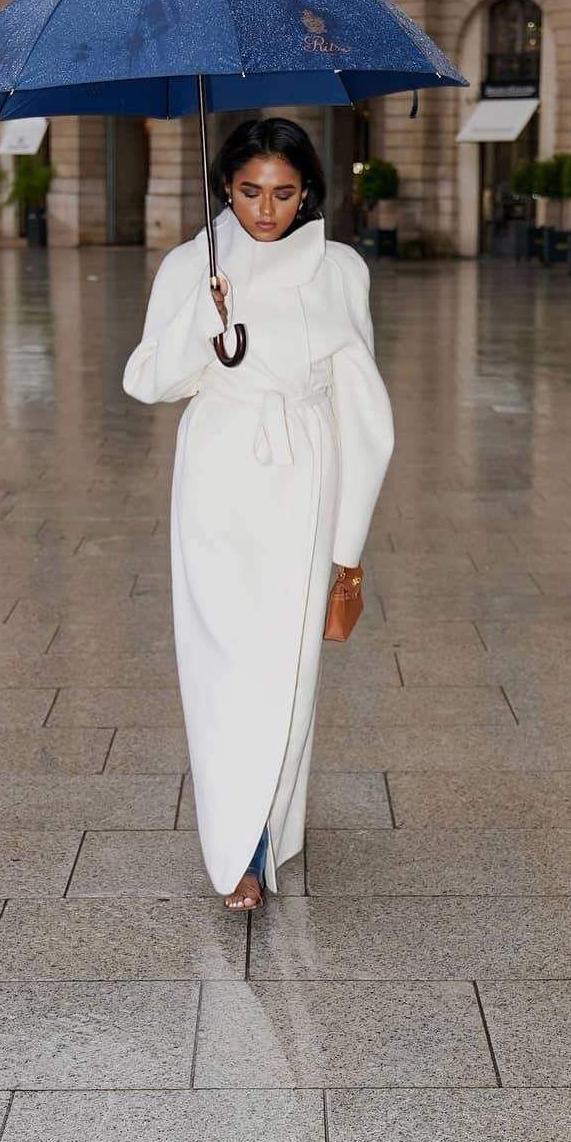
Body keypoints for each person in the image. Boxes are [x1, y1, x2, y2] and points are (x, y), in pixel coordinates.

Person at [123, 117, 394, 910]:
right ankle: (238, 848)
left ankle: (273, 826)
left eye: (283, 192)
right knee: (219, 662)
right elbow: (147, 381)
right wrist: (207, 320)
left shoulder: (339, 269)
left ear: (308, 189)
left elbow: (366, 411)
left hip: (305, 472)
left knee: (289, 664)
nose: (265, 210)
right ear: (226, 188)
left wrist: (350, 543)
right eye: (248, 192)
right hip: (215, 473)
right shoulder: (189, 266)